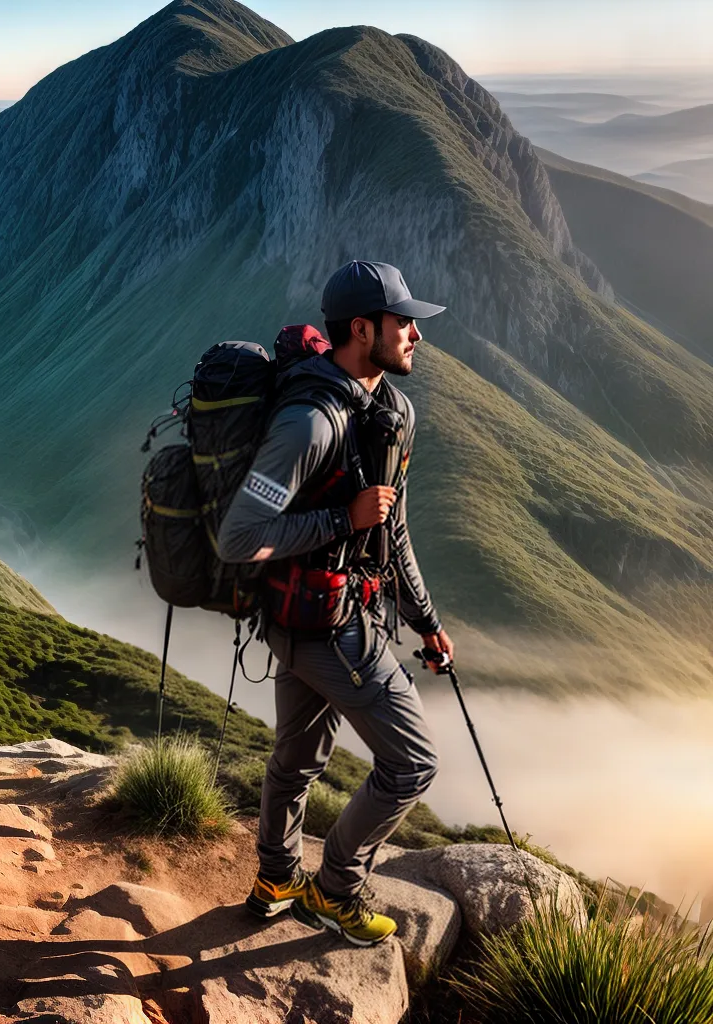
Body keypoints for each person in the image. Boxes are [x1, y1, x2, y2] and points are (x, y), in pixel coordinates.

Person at [216, 260, 454, 947]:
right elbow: (239, 538)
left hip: (312, 619)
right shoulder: (310, 424)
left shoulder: (388, 412)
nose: (415, 334)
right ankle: (336, 889)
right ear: (361, 329)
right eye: (403, 321)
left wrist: (426, 622)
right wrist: (339, 523)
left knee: (295, 762)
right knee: (412, 763)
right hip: (328, 626)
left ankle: (276, 880)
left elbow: (392, 525)